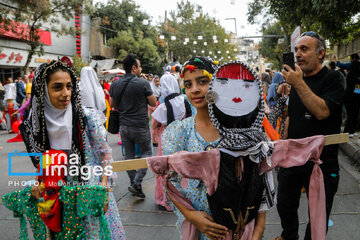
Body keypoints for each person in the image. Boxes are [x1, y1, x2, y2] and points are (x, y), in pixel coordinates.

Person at [161, 57, 268, 240]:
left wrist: (258, 229)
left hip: (242, 227)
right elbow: (168, 180)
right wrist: (191, 216)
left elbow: (259, 179)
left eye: (203, 81)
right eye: (188, 84)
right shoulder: (180, 131)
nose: (195, 89)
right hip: (201, 228)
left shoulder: (243, 129)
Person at [273, 31, 345, 240]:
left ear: (321, 53)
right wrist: (282, 146)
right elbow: (292, 117)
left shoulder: (334, 78)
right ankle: (289, 236)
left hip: (321, 162)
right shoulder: (298, 81)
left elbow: (322, 112)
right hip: (293, 158)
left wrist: (298, 83)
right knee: (284, 203)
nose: (298, 54)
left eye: (304, 49)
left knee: (318, 215)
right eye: (296, 49)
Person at [79, 66, 126, 239]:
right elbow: (105, 109)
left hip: (90, 131)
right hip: (98, 128)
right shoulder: (99, 89)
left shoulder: (81, 90)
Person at [109, 53, 157, 199]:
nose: (141, 68)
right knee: (147, 154)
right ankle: (137, 183)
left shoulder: (115, 84)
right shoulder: (142, 83)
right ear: (134, 68)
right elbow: (153, 102)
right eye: (140, 66)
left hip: (124, 126)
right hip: (141, 126)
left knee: (129, 157)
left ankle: (134, 184)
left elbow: (111, 104)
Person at [337, 53, 360, 137]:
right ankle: (349, 131)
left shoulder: (353, 74)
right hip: (353, 97)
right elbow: (356, 87)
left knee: (352, 114)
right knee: (352, 114)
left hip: (351, 97)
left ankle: (350, 131)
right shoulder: (355, 75)